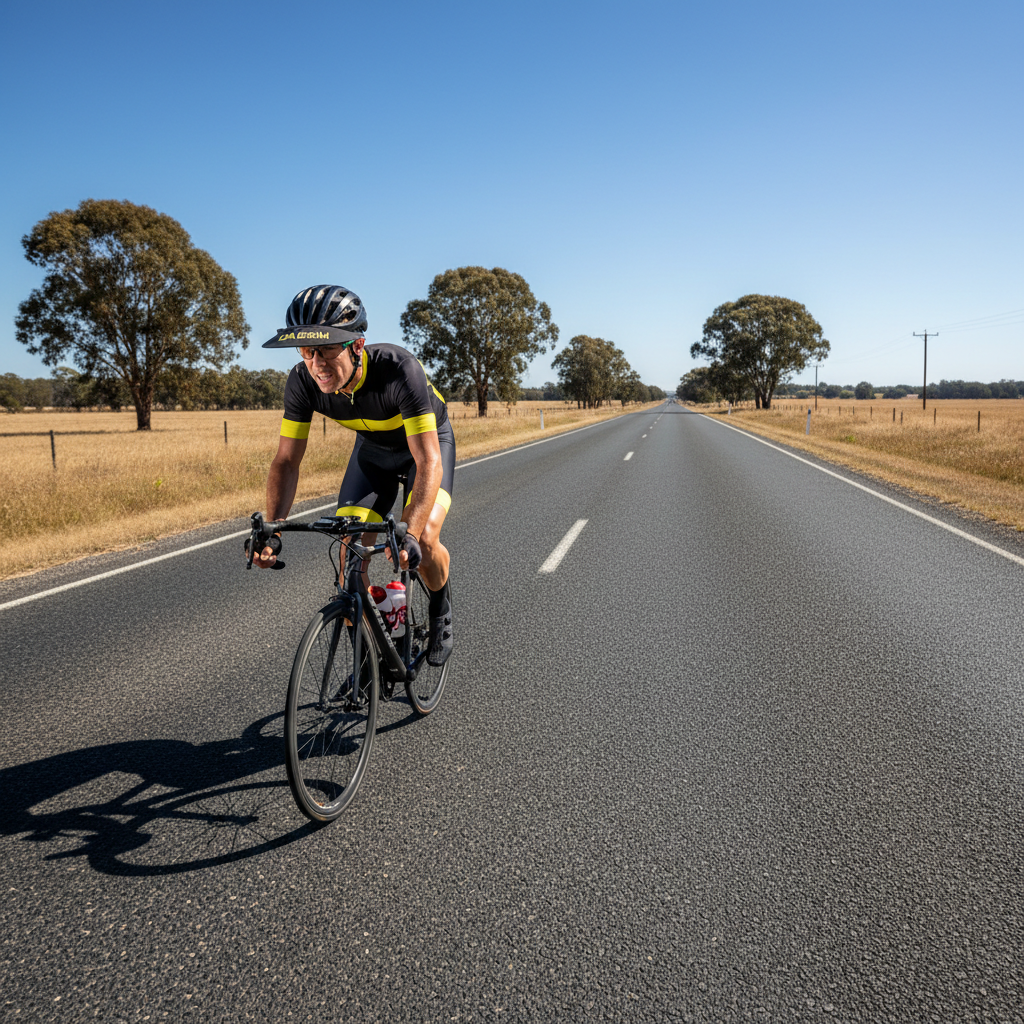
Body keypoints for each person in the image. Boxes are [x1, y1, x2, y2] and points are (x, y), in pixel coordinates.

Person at [252, 284, 453, 666]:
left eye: (327, 349)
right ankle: (367, 666)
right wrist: (273, 529)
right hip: (373, 453)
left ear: (357, 345)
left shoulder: (399, 369)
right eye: (307, 352)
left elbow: (428, 461)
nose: (317, 364)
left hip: (426, 449)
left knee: (425, 539)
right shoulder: (302, 382)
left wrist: (409, 533)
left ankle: (440, 611)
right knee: (351, 556)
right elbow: (286, 461)